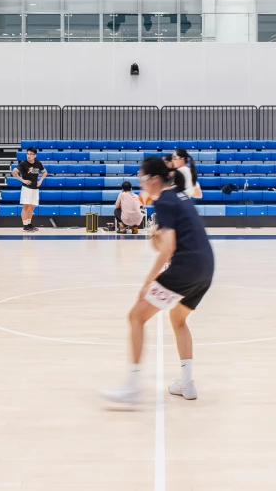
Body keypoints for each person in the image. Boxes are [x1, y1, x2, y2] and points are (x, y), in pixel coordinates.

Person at [101, 157, 215, 406]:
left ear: (153, 179)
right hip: (206, 268)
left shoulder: (163, 200)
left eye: (142, 180)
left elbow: (168, 248)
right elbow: (175, 241)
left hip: (186, 268)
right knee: (178, 319)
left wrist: (147, 283)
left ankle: (132, 387)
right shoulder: (178, 196)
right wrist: (159, 241)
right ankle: (187, 382)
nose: (141, 186)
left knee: (136, 316)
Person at [12, 147, 48, 232]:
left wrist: (41, 180)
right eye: (28, 154)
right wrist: (22, 180)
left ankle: (29, 224)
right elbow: (14, 172)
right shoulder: (23, 164)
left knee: (32, 207)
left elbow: (45, 172)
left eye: (31, 154)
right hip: (26, 188)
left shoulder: (38, 164)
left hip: (35, 188)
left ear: (35, 155)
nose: (29, 156)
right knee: (26, 206)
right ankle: (25, 225)